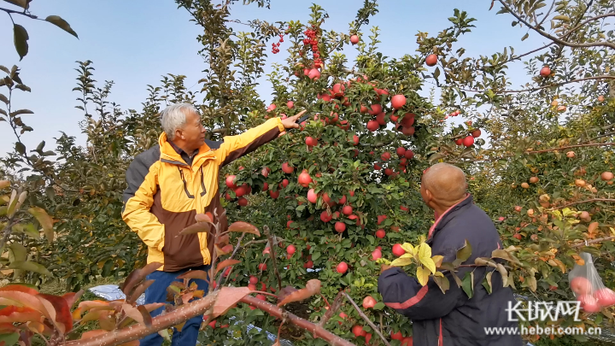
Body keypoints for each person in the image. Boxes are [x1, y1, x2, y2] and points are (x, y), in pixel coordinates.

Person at [121, 103, 304, 346]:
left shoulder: (210, 153)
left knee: (190, 323)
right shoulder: (150, 164)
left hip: (202, 260)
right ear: (179, 133)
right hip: (166, 263)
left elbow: (241, 141)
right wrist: (164, 239)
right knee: (153, 326)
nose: (204, 129)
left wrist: (278, 124)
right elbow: (132, 208)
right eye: (198, 124)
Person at [377, 163, 524, 346]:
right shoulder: (474, 216)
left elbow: (428, 300)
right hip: (490, 329)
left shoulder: (455, 244)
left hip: (466, 336)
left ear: (428, 194)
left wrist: (389, 278)